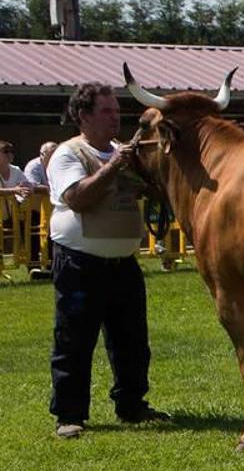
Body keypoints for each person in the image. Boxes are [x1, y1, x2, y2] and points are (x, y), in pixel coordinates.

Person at [47, 83, 169, 439]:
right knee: (74, 340)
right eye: (107, 111)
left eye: (117, 111)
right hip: (80, 263)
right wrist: (115, 165)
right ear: (82, 116)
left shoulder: (123, 152)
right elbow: (78, 198)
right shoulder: (69, 155)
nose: (116, 118)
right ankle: (69, 414)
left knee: (132, 340)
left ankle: (132, 404)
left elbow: (154, 190)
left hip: (122, 262)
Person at [21, 141, 57, 278]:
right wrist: (51, 189)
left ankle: (51, 266)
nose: (54, 157)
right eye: (51, 154)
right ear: (42, 155)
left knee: (53, 236)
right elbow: (32, 186)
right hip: (33, 208)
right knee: (34, 236)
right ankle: (34, 268)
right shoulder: (33, 166)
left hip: (52, 208)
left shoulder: (59, 164)